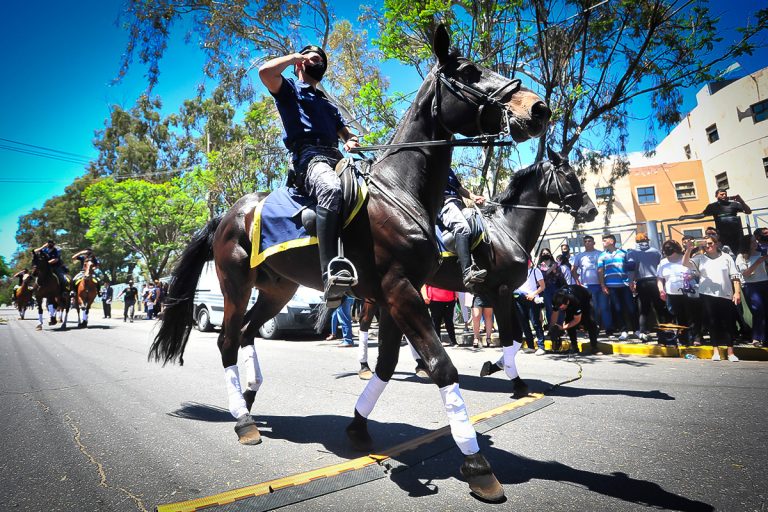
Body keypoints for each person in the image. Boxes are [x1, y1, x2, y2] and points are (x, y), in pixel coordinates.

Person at [259, 44, 360, 308]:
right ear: (300, 64)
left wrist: (350, 140)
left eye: (322, 60)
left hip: (336, 157)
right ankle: (330, 275)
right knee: (330, 189)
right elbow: (264, 72)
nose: (319, 63)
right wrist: (293, 57)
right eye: (313, 59)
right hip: (308, 158)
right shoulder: (289, 89)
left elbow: (345, 133)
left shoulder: (328, 104)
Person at [683, 234, 741, 361]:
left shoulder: (726, 258)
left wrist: (737, 292)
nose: (708, 246)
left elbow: (735, 276)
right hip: (707, 295)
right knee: (712, 323)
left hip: (725, 294)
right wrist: (689, 249)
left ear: (716, 243)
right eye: (706, 244)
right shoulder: (700, 258)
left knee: (728, 323)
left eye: (711, 243)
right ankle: (716, 351)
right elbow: (685, 263)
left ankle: (731, 352)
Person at [439, 168, 487, 288]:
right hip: (444, 204)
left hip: (459, 204)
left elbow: (459, 188)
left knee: (476, 219)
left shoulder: (448, 169)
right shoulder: (431, 163)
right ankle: (467, 272)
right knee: (462, 228)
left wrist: (474, 197)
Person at [657, 239, 700, 345]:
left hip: (688, 292)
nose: (668, 256)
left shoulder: (685, 259)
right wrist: (661, 290)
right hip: (672, 294)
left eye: (670, 252)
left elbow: (697, 273)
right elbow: (659, 278)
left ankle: (696, 338)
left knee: (693, 316)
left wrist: (691, 276)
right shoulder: (663, 262)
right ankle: (684, 339)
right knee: (680, 317)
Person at [627, 232, 669, 340]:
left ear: (636, 241)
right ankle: (663, 332)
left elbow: (631, 268)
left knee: (644, 309)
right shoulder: (656, 251)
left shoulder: (632, 252)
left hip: (642, 282)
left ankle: (643, 332)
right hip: (656, 281)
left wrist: (631, 281)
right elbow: (662, 266)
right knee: (659, 308)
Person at [597, 234, 637, 340]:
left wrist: (632, 281)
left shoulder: (624, 253)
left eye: (605, 240)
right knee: (618, 309)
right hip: (611, 286)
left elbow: (630, 269)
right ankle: (623, 331)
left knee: (631, 307)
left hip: (625, 285)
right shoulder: (602, 256)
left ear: (611, 241)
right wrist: (602, 285)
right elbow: (600, 271)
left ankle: (637, 329)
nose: (603, 242)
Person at [692, 189, 752, 254]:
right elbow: (702, 215)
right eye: (722, 194)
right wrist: (686, 217)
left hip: (736, 234)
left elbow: (748, 211)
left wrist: (741, 201)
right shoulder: (712, 206)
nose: (724, 195)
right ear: (716, 196)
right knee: (724, 252)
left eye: (725, 194)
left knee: (739, 252)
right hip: (723, 234)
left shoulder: (735, 204)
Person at [735, 232, 768, 347]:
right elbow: (746, 273)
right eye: (752, 241)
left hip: (765, 283)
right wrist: (759, 261)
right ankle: (756, 338)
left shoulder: (762, 253)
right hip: (752, 285)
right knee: (758, 310)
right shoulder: (741, 257)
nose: (755, 243)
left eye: (755, 241)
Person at [548, 285, 601, 355]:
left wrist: (562, 328)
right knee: (568, 321)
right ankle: (574, 347)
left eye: (562, 307)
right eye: (559, 307)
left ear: (567, 302)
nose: (561, 309)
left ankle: (594, 347)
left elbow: (576, 320)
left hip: (585, 299)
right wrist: (552, 327)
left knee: (590, 321)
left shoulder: (574, 300)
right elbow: (555, 314)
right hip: (571, 299)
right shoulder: (556, 299)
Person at [572, 235, 607, 330]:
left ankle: (608, 328)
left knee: (603, 307)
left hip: (601, 284)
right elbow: (573, 270)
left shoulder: (600, 254)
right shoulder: (579, 256)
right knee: (591, 308)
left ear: (594, 243)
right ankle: (593, 326)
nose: (587, 243)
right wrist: (577, 282)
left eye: (589, 241)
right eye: (586, 241)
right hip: (587, 286)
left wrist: (604, 283)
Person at [513, 259, 546, 354]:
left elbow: (542, 286)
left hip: (532, 299)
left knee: (535, 322)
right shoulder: (518, 272)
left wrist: (533, 294)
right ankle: (530, 346)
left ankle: (541, 346)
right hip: (519, 299)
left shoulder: (535, 271)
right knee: (524, 323)